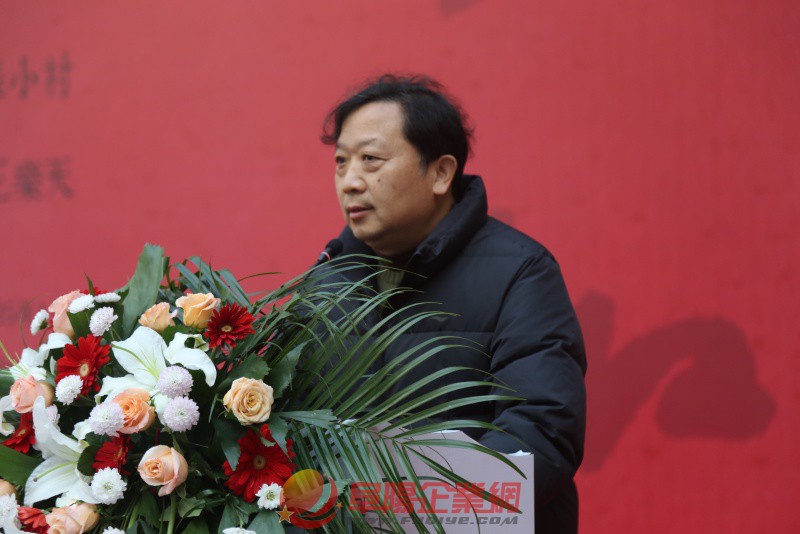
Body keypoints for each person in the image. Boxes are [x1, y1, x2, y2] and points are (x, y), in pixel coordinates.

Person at [319, 74, 587, 533]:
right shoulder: (327, 279)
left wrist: (406, 514)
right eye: (341, 162)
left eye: (370, 159)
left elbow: (541, 435)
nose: (350, 182)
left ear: (441, 172)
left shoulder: (521, 272)